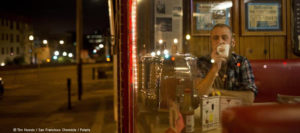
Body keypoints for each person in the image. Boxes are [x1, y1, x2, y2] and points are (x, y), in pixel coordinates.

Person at [195, 24, 257, 104]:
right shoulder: (202, 62)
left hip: (235, 112)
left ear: (232, 43)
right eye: (215, 38)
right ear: (211, 43)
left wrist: (213, 92)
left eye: (224, 38)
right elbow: (199, 95)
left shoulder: (241, 62)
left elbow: (249, 98)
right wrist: (215, 68)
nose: (220, 41)